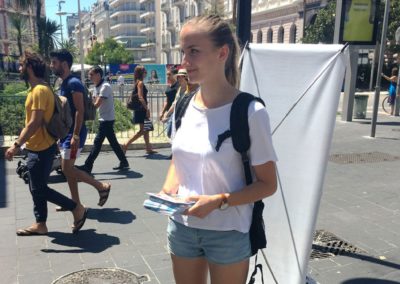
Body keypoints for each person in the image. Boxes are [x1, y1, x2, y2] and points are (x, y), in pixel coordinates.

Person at [160, 15, 278, 284]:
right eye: (183, 52)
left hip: (228, 230)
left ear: (222, 53)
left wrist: (219, 200)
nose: (184, 63)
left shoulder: (250, 112)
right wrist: (167, 191)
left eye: (194, 52)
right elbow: (178, 161)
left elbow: (268, 185)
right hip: (182, 227)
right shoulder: (183, 107)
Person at [5, 51, 88, 235]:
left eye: (22, 65)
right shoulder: (36, 89)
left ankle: (76, 208)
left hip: (41, 148)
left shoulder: (40, 91)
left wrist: (16, 144)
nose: (19, 68)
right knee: (36, 187)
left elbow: (34, 122)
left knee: (39, 188)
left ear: (30, 68)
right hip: (38, 146)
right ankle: (41, 223)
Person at [49, 49, 111, 210]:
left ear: (64, 64)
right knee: (67, 170)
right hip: (67, 134)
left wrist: (75, 135)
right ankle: (75, 203)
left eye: (54, 62)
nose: (51, 66)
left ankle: (101, 186)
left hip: (74, 133)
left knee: (67, 168)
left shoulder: (73, 83)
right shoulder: (64, 83)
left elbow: (80, 110)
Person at [76, 66, 129, 174]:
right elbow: (94, 100)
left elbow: (96, 104)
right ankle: (124, 162)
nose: (89, 76)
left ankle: (88, 165)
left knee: (97, 142)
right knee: (113, 143)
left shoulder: (105, 87)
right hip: (104, 118)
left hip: (107, 119)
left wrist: (86, 103)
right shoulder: (97, 87)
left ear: (98, 75)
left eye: (91, 74)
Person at [122, 65, 157, 154]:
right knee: (143, 130)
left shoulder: (137, 82)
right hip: (142, 109)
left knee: (146, 128)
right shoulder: (140, 83)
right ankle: (126, 144)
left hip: (140, 109)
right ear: (142, 73)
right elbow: (141, 97)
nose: (146, 73)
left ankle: (148, 148)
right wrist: (147, 109)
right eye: (145, 72)